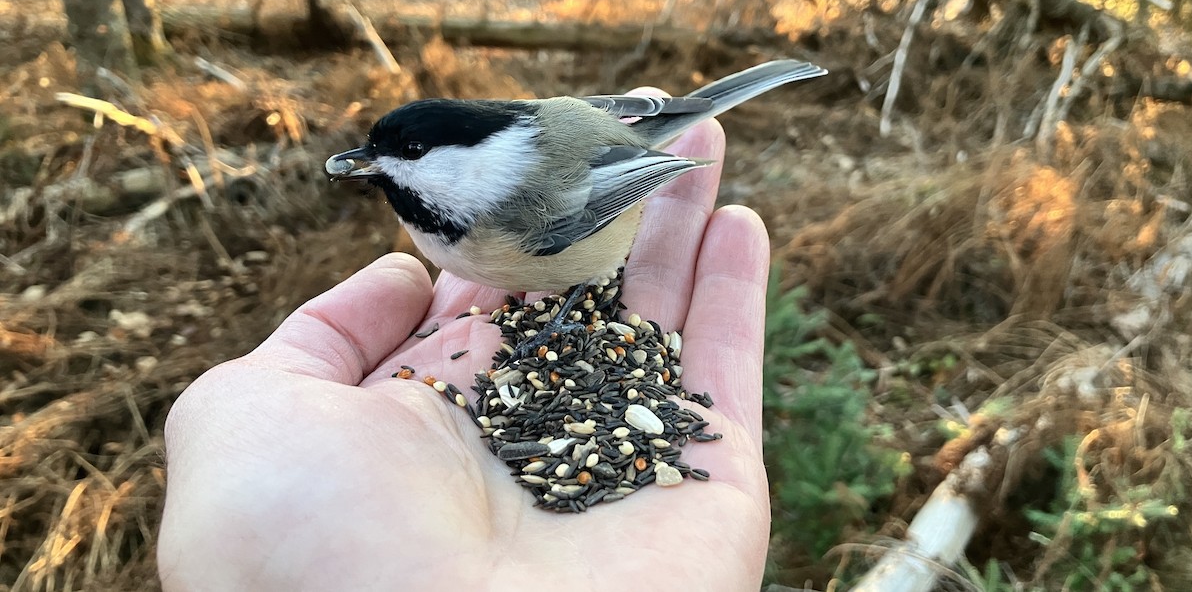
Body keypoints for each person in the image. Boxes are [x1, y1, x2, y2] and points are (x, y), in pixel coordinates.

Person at [157, 89, 771, 591]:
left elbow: (619, 172)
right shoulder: (451, 207)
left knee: (578, 284)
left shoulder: (510, 210)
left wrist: (563, 315)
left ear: (468, 156)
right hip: (582, 131)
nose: (384, 166)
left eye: (412, 151)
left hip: (607, 172)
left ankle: (571, 302)